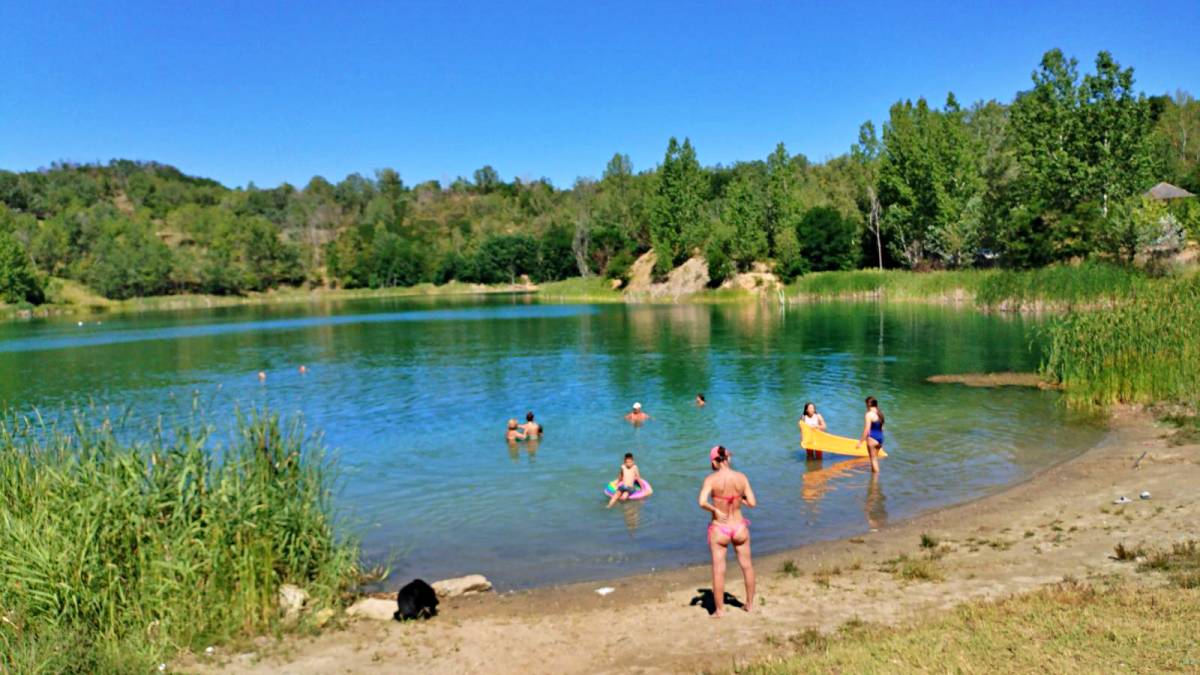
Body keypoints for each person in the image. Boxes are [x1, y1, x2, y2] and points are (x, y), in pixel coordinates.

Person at [698, 445, 756, 617]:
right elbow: (752, 503)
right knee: (747, 566)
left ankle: (720, 610)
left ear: (714, 462)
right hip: (739, 527)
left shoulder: (711, 479)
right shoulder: (741, 477)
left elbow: (702, 502)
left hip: (720, 528)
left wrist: (715, 510)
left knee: (719, 570)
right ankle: (749, 605)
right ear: (728, 458)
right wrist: (740, 499)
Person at [855, 396, 885, 473]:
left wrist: (860, 442)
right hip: (880, 438)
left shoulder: (869, 414)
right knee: (875, 461)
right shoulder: (880, 413)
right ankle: (873, 478)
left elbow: (867, 430)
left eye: (866, 404)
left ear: (868, 404)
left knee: (873, 461)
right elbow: (882, 429)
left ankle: (875, 479)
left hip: (872, 438)